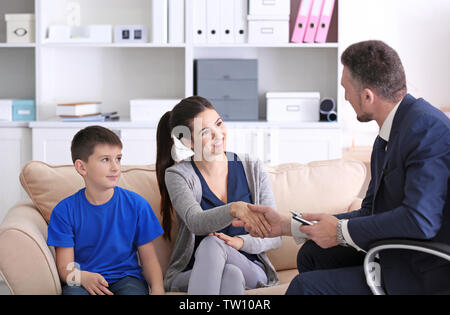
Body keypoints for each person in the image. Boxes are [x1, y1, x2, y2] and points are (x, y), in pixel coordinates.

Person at [235, 40, 450, 294]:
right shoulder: (391, 133)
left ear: (368, 96)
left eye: (346, 89)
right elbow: (371, 210)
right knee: (312, 254)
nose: (345, 97)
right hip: (395, 250)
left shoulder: (426, 130)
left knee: (305, 288)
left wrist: (339, 231)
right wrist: (286, 225)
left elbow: (420, 220)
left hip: (423, 270)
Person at [156, 96, 282, 294]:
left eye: (219, 124)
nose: (218, 135)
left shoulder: (250, 166)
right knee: (231, 274)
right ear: (187, 141)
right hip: (195, 270)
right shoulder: (178, 175)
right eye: (206, 131)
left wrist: (241, 243)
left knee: (215, 245)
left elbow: (275, 235)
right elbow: (196, 222)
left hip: (249, 266)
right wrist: (234, 209)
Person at [47, 126, 165, 295]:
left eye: (118, 159)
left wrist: (158, 289)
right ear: (82, 167)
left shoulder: (137, 205)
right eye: (105, 160)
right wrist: (83, 278)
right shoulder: (64, 211)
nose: (115, 167)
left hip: (127, 279)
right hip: (83, 281)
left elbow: (149, 259)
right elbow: (66, 268)